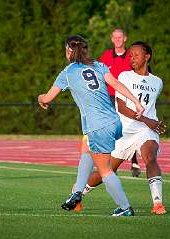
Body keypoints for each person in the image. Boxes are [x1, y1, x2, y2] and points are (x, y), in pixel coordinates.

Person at [38, 35, 144, 216]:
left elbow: (47, 98)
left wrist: (40, 98)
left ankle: (125, 208)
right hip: (113, 121)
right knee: (86, 148)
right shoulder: (99, 65)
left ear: (68, 51)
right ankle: (76, 194)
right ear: (86, 50)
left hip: (98, 126)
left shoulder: (68, 72)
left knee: (105, 170)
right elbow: (116, 84)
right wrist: (136, 102)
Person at [74, 41, 167, 215]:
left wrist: (150, 123)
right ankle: (78, 196)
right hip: (125, 130)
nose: (132, 58)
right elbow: (122, 108)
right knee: (105, 172)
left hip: (146, 130)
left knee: (150, 158)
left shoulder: (157, 82)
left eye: (136, 55)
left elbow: (149, 106)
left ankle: (158, 204)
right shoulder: (125, 76)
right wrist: (148, 120)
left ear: (147, 56)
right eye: (130, 55)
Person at [96, 28, 142, 177]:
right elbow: (98, 76)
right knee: (109, 130)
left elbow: (140, 73)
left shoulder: (131, 55)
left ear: (125, 38)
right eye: (115, 37)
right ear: (111, 39)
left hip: (127, 98)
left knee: (129, 128)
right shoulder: (106, 56)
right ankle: (109, 165)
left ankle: (134, 162)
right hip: (109, 97)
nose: (117, 40)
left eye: (120, 37)